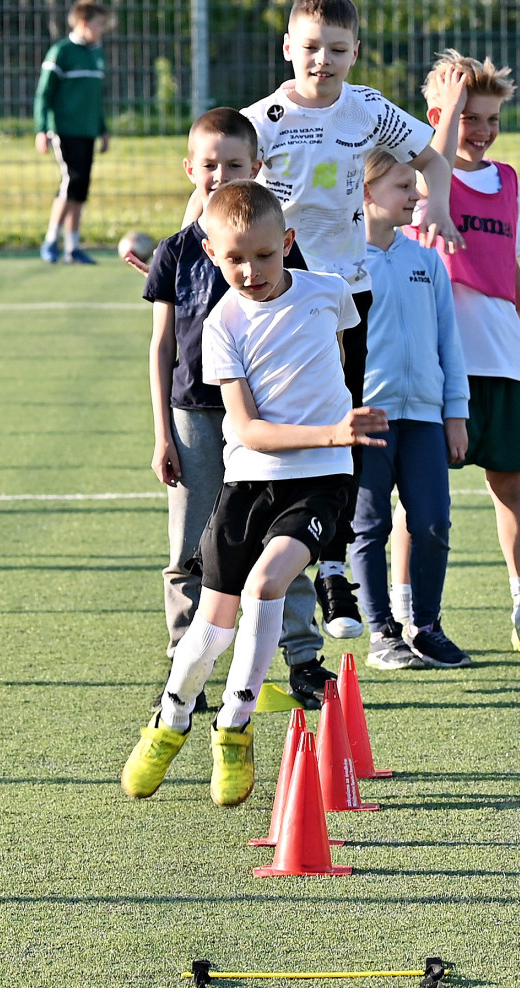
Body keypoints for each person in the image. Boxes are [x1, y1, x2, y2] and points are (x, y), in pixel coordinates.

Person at [184, 0, 463, 642]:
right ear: (288, 47)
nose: (323, 60)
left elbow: (432, 160)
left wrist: (440, 206)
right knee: (297, 425)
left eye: (337, 49)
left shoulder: (366, 109)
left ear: (355, 53)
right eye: (311, 47)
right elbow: (216, 195)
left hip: (348, 294)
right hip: (282, 301)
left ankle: (334, 564)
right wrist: (181, 249)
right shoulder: (265, 120)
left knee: (348, 426)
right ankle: (300, 554)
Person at [122, 179, 388, 806]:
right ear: (212, 254)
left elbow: (342, 358)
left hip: (320, 483)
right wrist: (331, 428)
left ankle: (233, 730)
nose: (250, 270)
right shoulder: (222, 325)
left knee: (267, 584)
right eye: (235, 259)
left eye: (265, 256)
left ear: (288, 243)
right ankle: (171, 718)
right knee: (209, 629)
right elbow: (244, 430)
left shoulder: (330, 293)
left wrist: (337, 439)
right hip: (248, 485)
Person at [141, 107, 336, 713]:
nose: (221, 175)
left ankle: (303, 661)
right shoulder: (177, 251)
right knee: (191, 547)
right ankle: (187, 667)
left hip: (266, 421)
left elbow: (303, 325)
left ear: (258, 168)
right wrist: (162, 436)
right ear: (189, 169)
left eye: (235, 165)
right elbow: (162, 345)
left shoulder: (272, 244)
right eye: (209, 165)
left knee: (280, 544)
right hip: (196, 416)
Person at [412, 50, 520, 655]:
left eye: (491, 119)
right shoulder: (424, 173)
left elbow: (508, 266)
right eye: (470, 117)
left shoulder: (507, 180)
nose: (482, 130)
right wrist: (445, 116)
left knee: (513, 488)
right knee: (419, 501)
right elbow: (436, 169)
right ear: (442, 116)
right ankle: (408, 618)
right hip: (441, 363)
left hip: (499, 354)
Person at [349, 149, 471, 670]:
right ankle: (381, 634)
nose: (418, 195)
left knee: (432, 522)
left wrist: (456, 412)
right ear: (366, 193)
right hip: (368, 417)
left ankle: (426, 627)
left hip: (423, 415)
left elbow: (449, 341)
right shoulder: (342, 263)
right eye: (403, 186)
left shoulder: (425, 260)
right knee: (369, 526)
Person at [34, 0, 109, 265]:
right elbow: (44, 94)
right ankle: (51, 241)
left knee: (80, 188)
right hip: (64, 131)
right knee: (70, 183)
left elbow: (95, 99)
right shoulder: (61, 52)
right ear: (83, 23)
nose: (103, 29)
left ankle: (72, 247)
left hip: (88, 131)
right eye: (100, 24)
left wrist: (102, 129)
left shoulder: (96, 53)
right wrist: (41, 129)